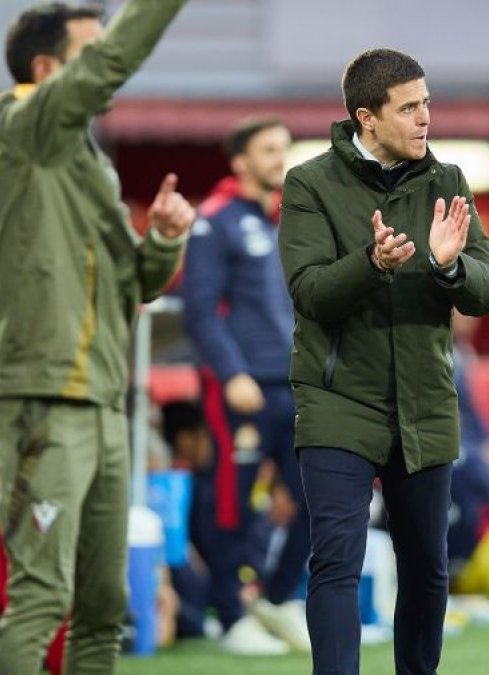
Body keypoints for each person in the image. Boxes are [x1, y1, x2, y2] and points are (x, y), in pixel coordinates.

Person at [278, 48, 489, 675]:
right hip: (336, 400)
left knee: (427, 568)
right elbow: (310, 292)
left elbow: (488, 291)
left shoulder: (448, 180)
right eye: (409, 107)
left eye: (427, 102)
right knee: (337, 561)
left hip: (425, 400)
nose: (425, 117)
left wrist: (450, 266)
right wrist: (371, 263)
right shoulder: (309, 183)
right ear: (366, 118)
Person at [0, 2, 193, 673]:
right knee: (41, 594)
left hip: (102, 399)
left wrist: (164, 241)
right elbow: (114, 60)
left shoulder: (83, 159)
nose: (106, 73)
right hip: (46, 395)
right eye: (90, 56)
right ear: (47, 71)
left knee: (106, 602)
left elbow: (134, 286)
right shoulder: (25, 128)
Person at [181, 115, 311, 655]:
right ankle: (231, 616)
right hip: (239, 386)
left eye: (283, 147)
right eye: (267, 149)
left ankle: (277, 599)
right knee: (230, 503)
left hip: (292, 383)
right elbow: (201, 313)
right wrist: (231, 373)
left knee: (321, 497)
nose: (279, 157)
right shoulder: (215, 221)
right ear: (240, 161)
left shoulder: (289, 220)